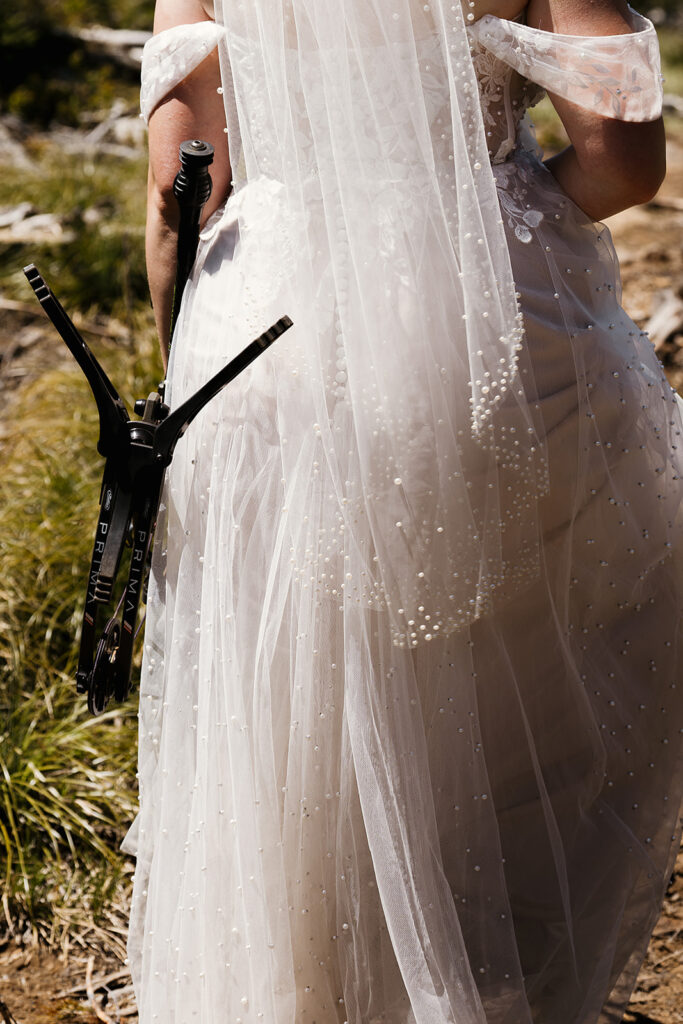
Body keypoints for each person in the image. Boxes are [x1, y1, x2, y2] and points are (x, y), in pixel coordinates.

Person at [125, 1, 683, 1021]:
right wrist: (495, 216)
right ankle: (477, 985)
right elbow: (621, 156)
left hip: (264, 330)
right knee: (498, 711)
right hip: (497, 328)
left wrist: (179, 379)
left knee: (298, 704)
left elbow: (177, 186)